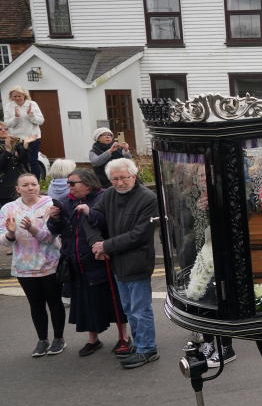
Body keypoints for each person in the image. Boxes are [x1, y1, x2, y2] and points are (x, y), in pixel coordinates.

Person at [47, 168, 130, 356]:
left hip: (100, 259)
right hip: (76, 261)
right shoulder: (66, 202)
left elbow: (109, 224)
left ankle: (123, 337)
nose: (69, 187)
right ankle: (93, 339)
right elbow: (57, 229)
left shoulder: (103, 198)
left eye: (72, 183)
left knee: (113, 300)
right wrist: (55, 218)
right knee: (85, 303)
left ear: (88, 183)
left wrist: (89, 212)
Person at [88, 158, 159, 369]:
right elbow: (91, 219)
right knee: (128, 309)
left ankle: (147, 349)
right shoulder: (108, 195)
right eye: (114, 179)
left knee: (140, 309)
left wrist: (106, 246)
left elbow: (140, 234)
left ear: (134, 176)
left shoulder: (148, 198)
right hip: (117, 262)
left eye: (123, 178)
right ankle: (139, 345)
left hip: (137, 261)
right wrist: (96, 244)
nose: (119, 183)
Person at [1, 172, 66, 357]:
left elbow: (50, 236)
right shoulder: (8, 208)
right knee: (35, 304)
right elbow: (4, 241)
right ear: (17, 189)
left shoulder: (51, 204)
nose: (30, 188)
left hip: (49, 262)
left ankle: (59, 338)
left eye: (34, 184)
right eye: (25, 185)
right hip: (24, 266)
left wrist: (31, 228)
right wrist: (11, 233)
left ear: (39, 185)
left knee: (54, 302)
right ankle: (42, 340)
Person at [3, 86, 44, 179]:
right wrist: (16, 117)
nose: (17, 98)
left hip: (32, 138)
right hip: (16, 139)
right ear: (11, 97)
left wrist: (31, 115)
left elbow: (41, 121)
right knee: (18, 162)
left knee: (33, 161)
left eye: (19, 96)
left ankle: (35, 183)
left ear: (24, 95)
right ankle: (20, 184)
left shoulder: (32, 104)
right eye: (14, 96)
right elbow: (8, 124)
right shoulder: (9, 106)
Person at [0, 121, 30, 208]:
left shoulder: (15, 143)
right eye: (0, 129)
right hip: (4, 189)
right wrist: (7, 151)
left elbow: (24, 162)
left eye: (6, 129)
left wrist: (25, 147)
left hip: (18, 186)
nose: (4, 130)